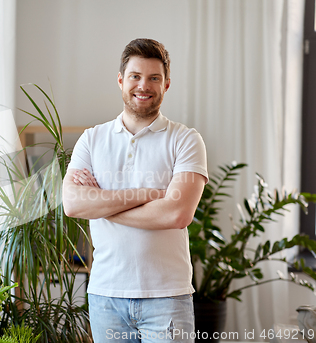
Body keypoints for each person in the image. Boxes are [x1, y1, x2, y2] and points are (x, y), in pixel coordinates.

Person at [62, 38, 208, 343]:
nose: (144, 85)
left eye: (154, 78)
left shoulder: (186, 140)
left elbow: (178, 213)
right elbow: (73, 205)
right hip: (106, 295)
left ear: (167, 84)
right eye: (135, 76)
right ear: (120, 80)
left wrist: (103, 205)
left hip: (167, 296)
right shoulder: (92, 139)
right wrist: (150, 194)